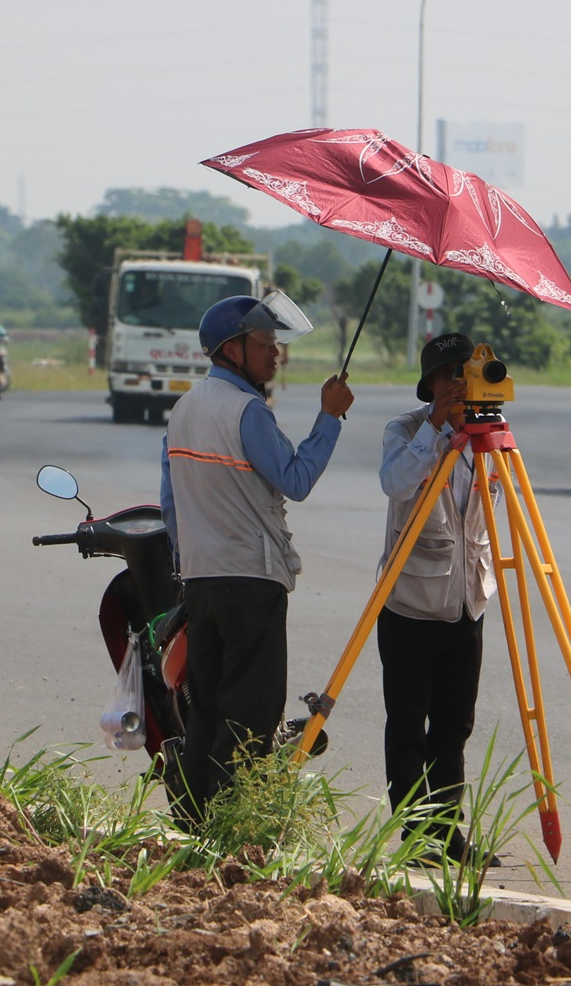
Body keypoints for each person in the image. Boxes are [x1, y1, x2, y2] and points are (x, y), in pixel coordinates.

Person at [159, 291, 353, 820]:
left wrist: (192, 562)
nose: (275, 355)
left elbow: (171, 503)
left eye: (275, 344)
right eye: (264, 345)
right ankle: (232, 822)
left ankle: (194, 820)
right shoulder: (249, 412)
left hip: (201, 582)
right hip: (251, 581)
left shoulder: (182, 410)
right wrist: (329, 418)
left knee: (205, 709)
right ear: (231, 350)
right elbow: (295, 479)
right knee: (251, 712)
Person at [376, 331, 500, 865]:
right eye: (450, 376)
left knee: (454, 725)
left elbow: (498, 499)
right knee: (408, 724)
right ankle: (415, 836)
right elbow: (395, 483)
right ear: (430, 385)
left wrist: (479, 436)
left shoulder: (487, 434)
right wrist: (436, 431)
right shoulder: (405, 429)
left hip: (466, 602)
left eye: (466, 374)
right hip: (409, 603)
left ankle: (447, 832)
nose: (459, 385)